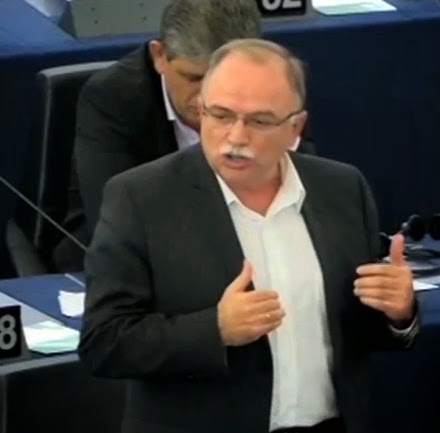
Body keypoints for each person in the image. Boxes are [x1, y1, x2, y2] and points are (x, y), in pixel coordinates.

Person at [78, 39, 418, 433]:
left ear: (295, 128)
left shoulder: (342, 189)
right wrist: (214, 330)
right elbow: (103, 342)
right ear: (201, 110)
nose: (236, 136)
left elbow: (354, 331)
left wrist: (398, 312)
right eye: (221, 115)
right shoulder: (140, 198)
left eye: (259, 121)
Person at [53, 0, 315, 272]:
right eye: (194, 78)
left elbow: (304, 187)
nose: (208, 97)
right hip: (135, 263)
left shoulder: (269, 88)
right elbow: (117, 222)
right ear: (159, 56)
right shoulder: (113, 98)